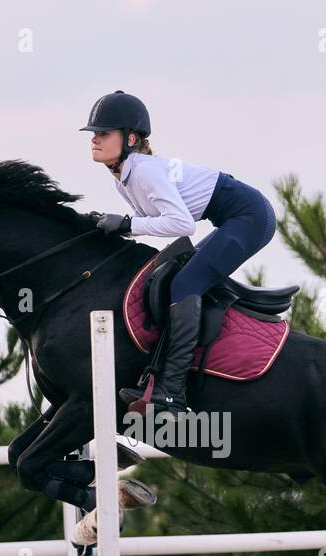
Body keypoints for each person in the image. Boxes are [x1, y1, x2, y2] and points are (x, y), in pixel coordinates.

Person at [82, 90, 277, 416]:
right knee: (170, 279)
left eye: (104, 133)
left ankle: (172, 393)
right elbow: (155, 223)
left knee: (185, 286)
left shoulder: (143, 170)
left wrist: (126, 224)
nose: (95, 139)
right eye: (94, 134)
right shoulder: (123, 177)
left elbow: (181, 224)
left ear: (130, 138)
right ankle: (155, 379)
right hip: (231, 218)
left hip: (250, 217)